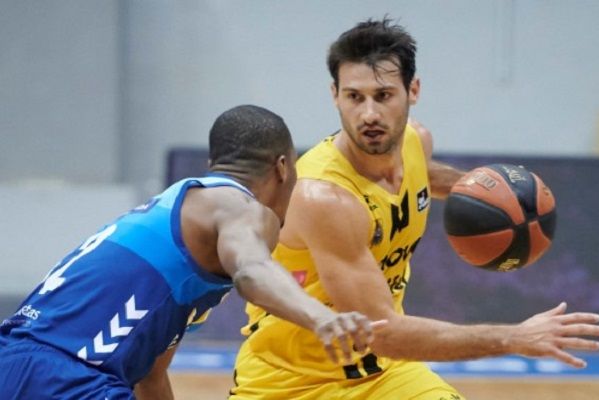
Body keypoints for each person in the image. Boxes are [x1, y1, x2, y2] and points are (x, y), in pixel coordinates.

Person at [229, 19, 599, 400]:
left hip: (383, 375)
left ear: (413, 91)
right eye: (354, 97)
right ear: (335, 95)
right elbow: (384, 333)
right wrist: (514, 337)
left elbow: (423, 173)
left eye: (383, 95)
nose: (369, 114)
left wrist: (494, 196)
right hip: (292, 384)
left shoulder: (415, 141)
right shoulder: (324, 197)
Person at [0, 105, 382, 400]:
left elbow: (150, 378)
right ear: (283, 168)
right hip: (71, 378)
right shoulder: (243, 208)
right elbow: (251, 272)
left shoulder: (179, 208)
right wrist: (320, 316)